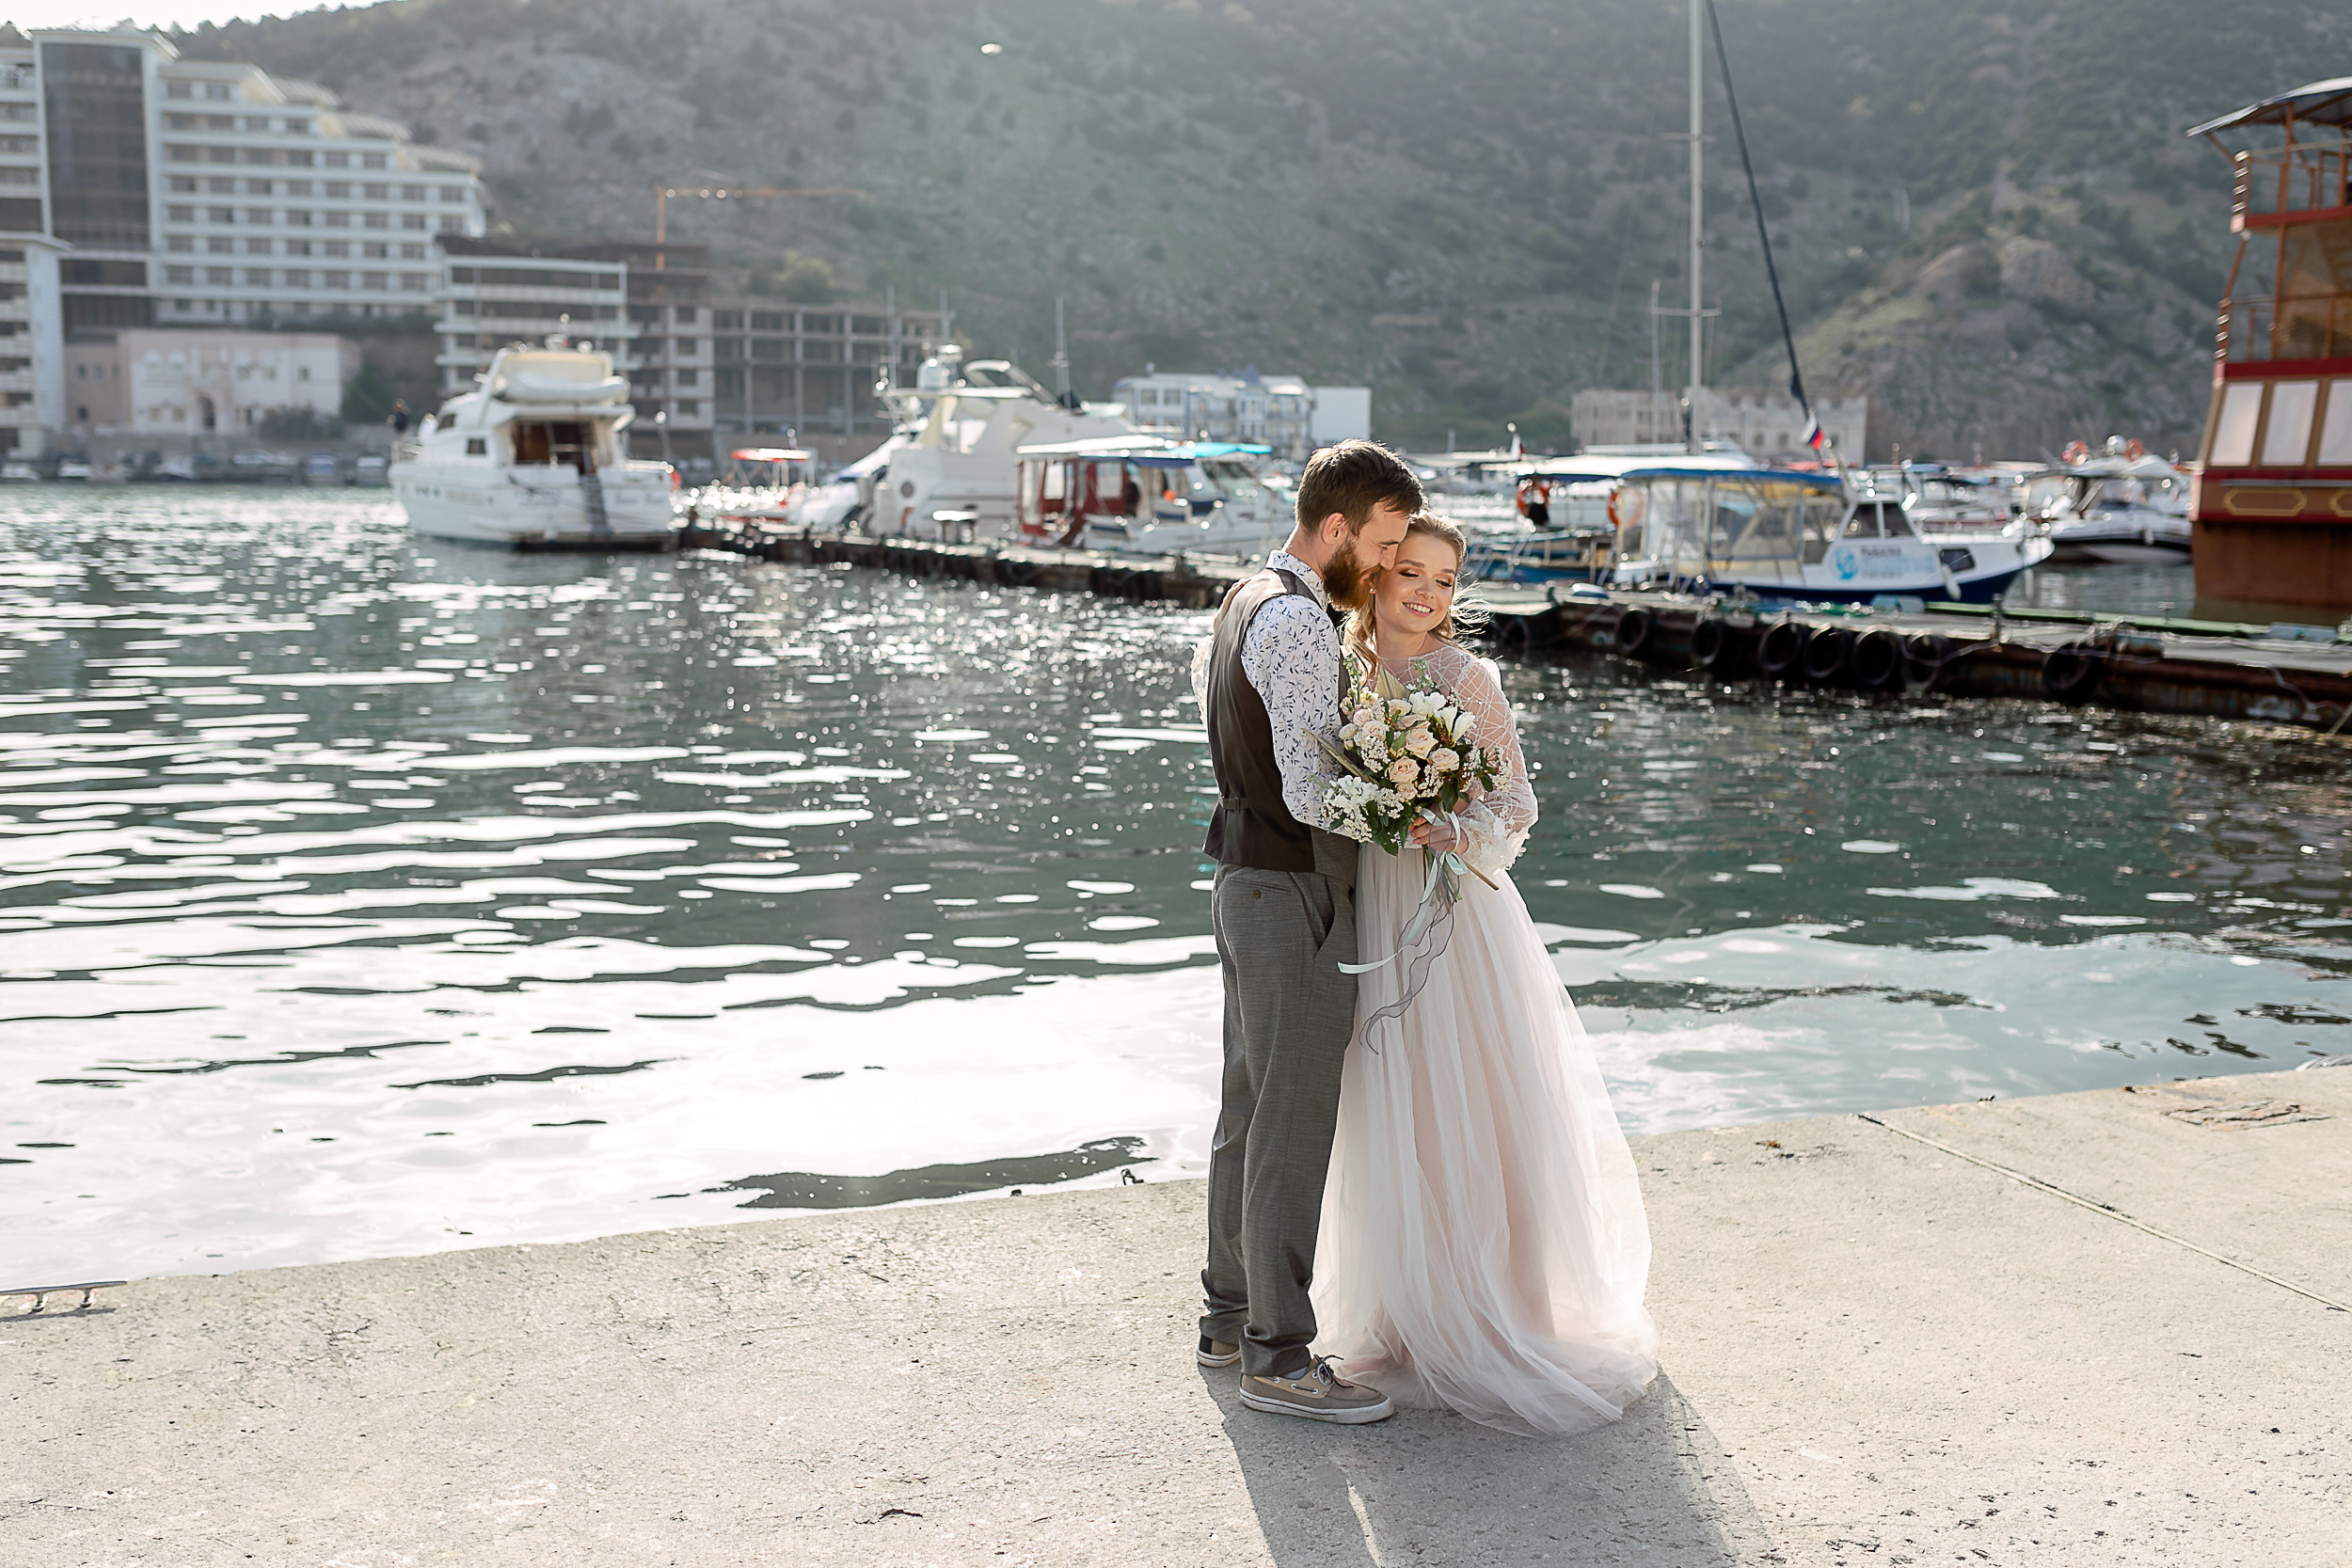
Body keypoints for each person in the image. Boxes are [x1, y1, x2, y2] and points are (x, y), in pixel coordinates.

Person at [1311, 511, 1659, 1437]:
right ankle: (1404, 1312)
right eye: (1411, 573)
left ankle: (1505, 1306)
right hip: (1374, 901)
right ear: (1376, 575)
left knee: (1483, 1103)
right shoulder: (1343, 668)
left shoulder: (1468, 677)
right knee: (1396, 1105)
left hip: (1456, 906)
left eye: (1444, 579)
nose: (1427, 592)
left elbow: (1518, 800)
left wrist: (1450, 825)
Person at [1189, 438, 1422, 1424]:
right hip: (1293, 890)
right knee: (1291, 1119)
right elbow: (1308, 789)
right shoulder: (1294, 619)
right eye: (1382, 544)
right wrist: (1413, 810)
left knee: (1249, 1106)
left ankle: (1227, 1315)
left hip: (1244, 879)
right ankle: (1279, 1357)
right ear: (1335, 528)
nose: (1386, 565)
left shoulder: (1242, 600)